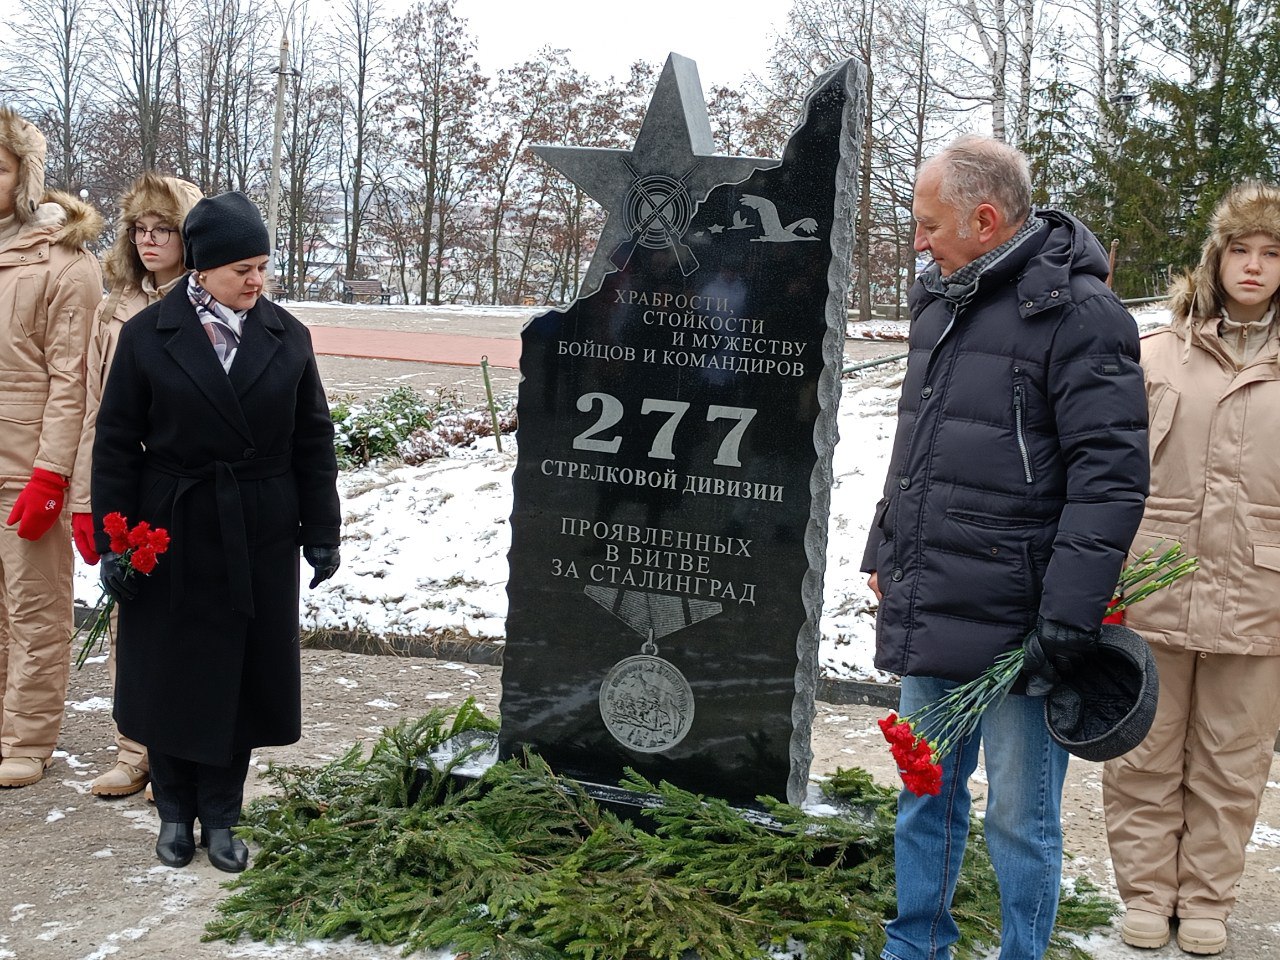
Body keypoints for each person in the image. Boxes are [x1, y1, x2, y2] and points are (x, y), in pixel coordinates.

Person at [861, 135, 1149, 960]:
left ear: (985, 221)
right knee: (926, 796)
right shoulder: (940, 300)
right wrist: (889, 543)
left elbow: (1111, 478)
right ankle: (915, 947)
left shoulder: (1082, 314)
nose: (918, 240)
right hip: (937, 595)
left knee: (1022, 818)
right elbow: (918, 443)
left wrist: (1070, 616)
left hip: (1027, 619)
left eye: (928, 224)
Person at [90, 191, 341, 871]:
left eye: (262, 266)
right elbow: (115, 441)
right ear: (201, 268)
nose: (256, 281)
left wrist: (321, 531)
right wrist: (116, 542)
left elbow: (312, 440)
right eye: (242, 269)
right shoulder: (148, 335)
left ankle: (223, 816)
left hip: (256, 527)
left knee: (239, 677)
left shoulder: (288, 336)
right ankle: (174, 812)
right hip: (168, 525)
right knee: (172, 673)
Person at [1102, 182, 1280, 956]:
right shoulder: (1155, 354)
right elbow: (1108, 472)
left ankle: (1207, 900)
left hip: (1261, 594)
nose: (1254, 265)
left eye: (1272, 253)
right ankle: (1147, 893)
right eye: (1240, 249)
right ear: (1216, 257)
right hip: (1156, 584)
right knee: (1145, 749)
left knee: (1233, 760)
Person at [69, 172, 203, 799]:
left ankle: (181, 753)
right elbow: (95, 406)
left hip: (190, 481)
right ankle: (135, 750)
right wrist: (86, 499)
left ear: (189, 235)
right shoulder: (115, 304)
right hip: (130, 479)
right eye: (140, 230)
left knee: (190, 618)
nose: (150, 241)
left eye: (165, 229)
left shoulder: (212, 300)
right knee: (131, 618)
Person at [0, 107, 104, 789]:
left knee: (33, 607)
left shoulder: (65, 260)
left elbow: (75, 381)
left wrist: (51, 474)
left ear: (23, 175)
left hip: (25, 464)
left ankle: (27, 735)